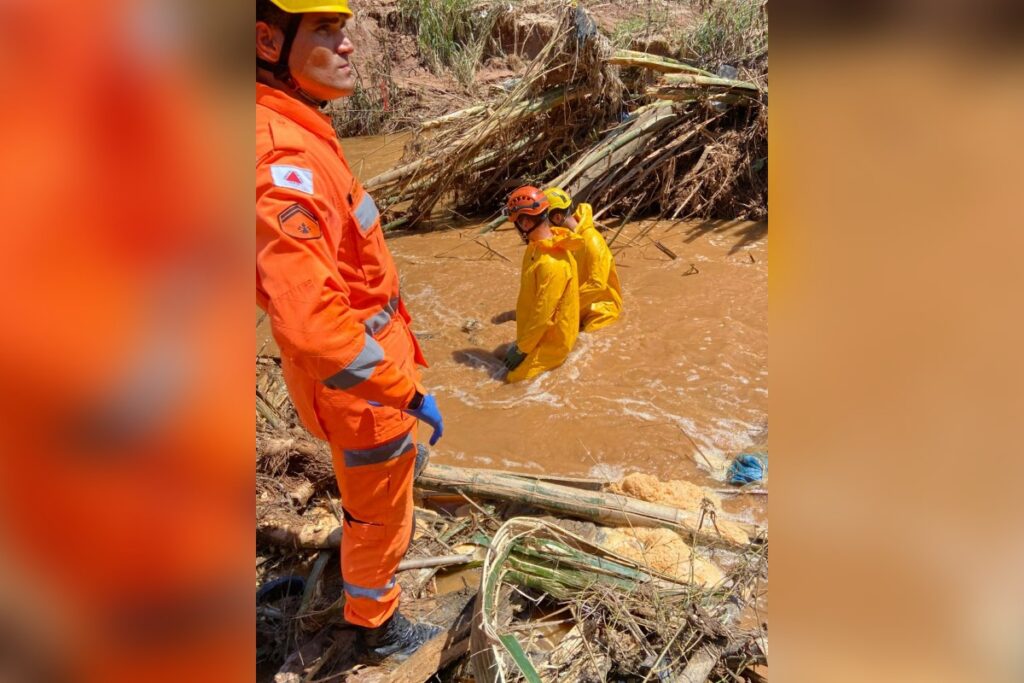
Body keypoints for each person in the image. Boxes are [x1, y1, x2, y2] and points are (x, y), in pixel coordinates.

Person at [256, 0, 444, 661]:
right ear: (267, 40)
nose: (348, 45)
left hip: (362, 375)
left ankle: (362, 546)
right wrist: (405, 393)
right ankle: (377, 627)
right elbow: (313, 327)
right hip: (362, 388)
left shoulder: (297, 128)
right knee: (382, 513)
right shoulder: (284, 158)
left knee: (373, 493)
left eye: (344, 28)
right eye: (325, 29)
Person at [502, 186, 584, 383]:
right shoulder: (537, 247)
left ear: (525, 222)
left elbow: (543, 314)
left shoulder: (552, 263)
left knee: (511, 382)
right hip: (537, 336)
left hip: (553, 344)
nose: (516, 230)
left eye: (516, 224)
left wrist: (522, 349)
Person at [544, 187, 623, 332]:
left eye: (543, 222)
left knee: (581, 344)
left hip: (601, 314)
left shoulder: (592, 240)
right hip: (581, 310)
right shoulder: (567, 240)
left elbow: (597, 284)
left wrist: (563, 309)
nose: (542, 228)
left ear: (557, 218)